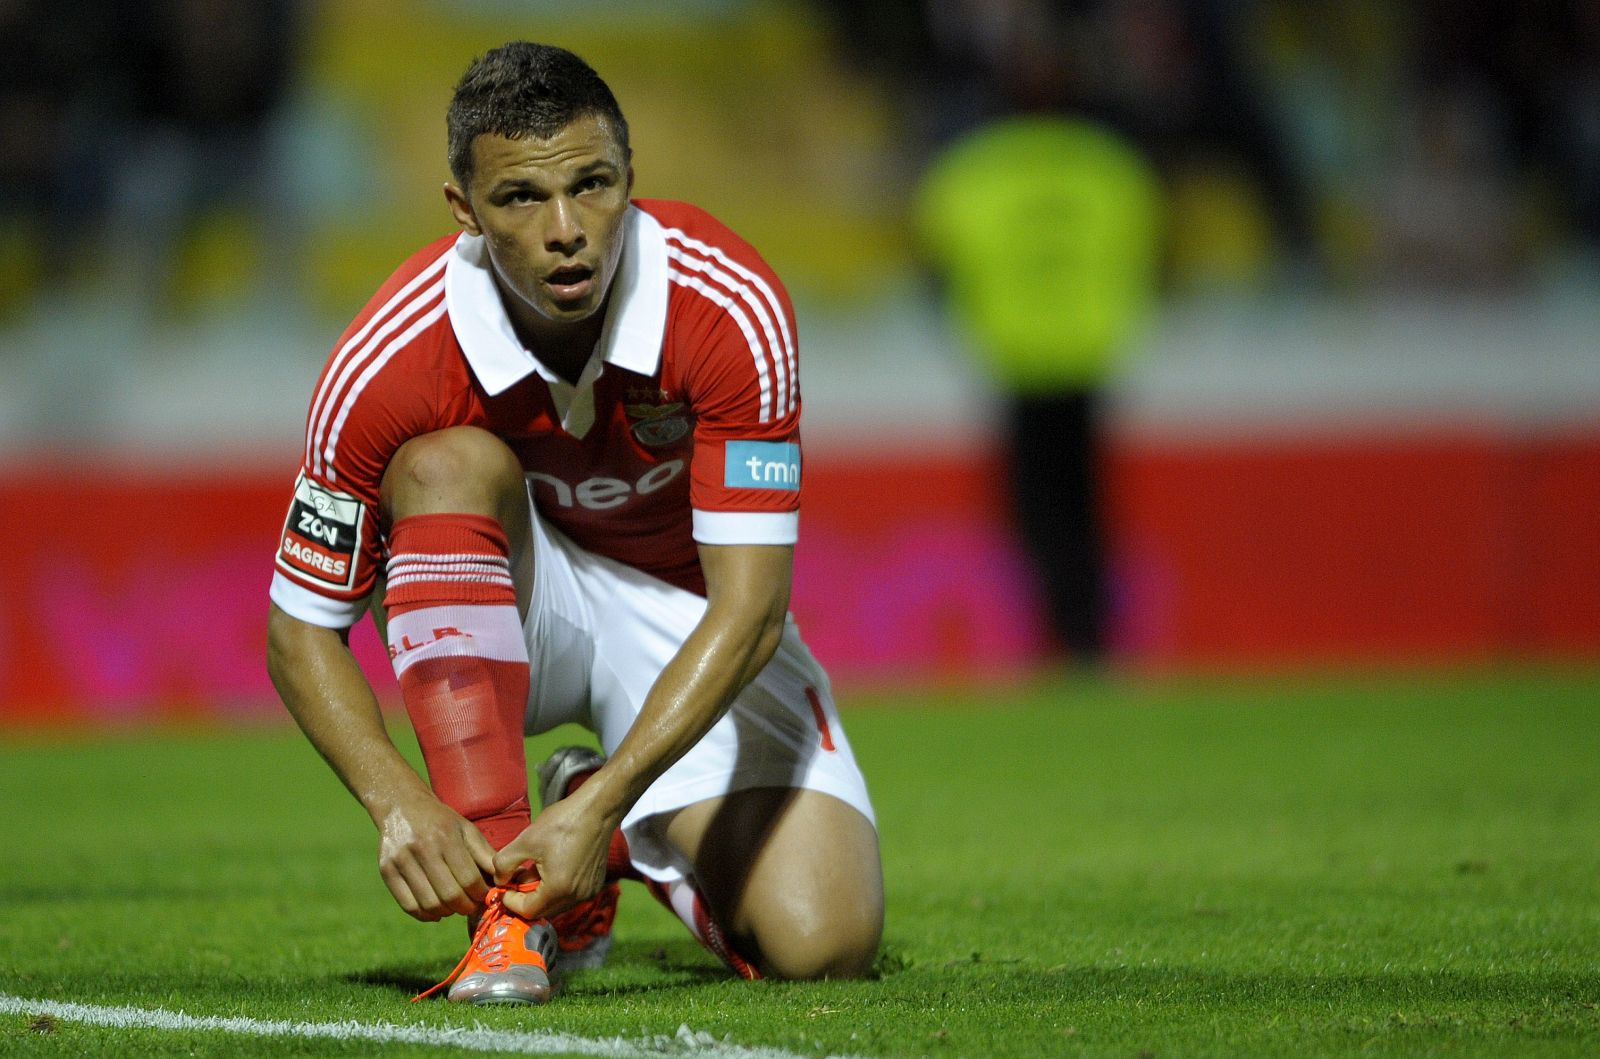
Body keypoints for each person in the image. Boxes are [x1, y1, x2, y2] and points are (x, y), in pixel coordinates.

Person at [265, 41, 883, 1005]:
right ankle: (508, 925)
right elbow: (300, 626)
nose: (567, 231)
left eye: (592, 186)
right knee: (442, 464)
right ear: (464, 212)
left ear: (631, 180)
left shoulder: (727, 306)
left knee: (827, 943)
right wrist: (398, 802)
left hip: (694, 611)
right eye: (520, 199)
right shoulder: (389, 355)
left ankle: (597, 819)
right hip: (516, 594)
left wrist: (605, 804)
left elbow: (754, 609)